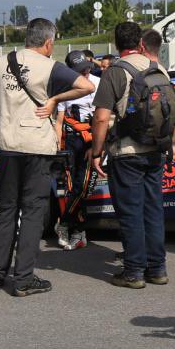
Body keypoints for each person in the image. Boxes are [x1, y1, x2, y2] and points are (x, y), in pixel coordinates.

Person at [0, 19, 92, 296]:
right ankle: (23, 277)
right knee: (32, 211)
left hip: (7, 145)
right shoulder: (51, 66)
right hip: (37, 146)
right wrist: (54, 100)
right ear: (48, 42)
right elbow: (86, 87)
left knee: (6, 209)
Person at [90, 21, 175, 289]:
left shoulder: (115, 72)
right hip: (156, 150)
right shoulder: (159, 69)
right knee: (153, 209)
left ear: (116, 44)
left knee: (130, 212)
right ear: (140, 42)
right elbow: (172, 113)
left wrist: (96, 152)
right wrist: (169, 146)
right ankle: (157, 268)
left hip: (126, 152)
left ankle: (134, 272)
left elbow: (102, 118)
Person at [55, 49, 101, 250]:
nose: (85, 72)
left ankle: (63, 223)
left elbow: (102, 118)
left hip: (91, 141)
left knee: (83, 188)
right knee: (71, 187)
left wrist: (98, 146)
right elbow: (59, 121)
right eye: (79, 70)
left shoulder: (99, 83)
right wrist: (58, 147)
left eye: (86, 68)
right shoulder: (65, 87)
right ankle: (78, 232)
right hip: (70, 141)